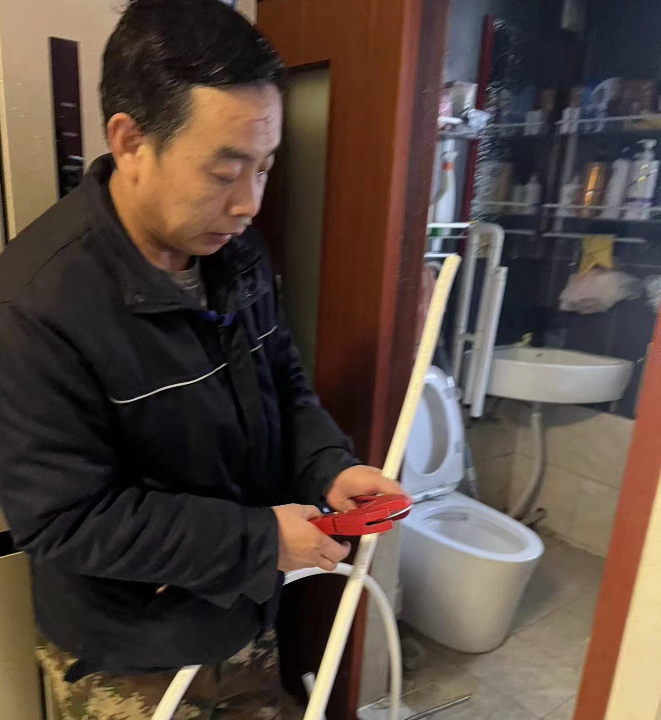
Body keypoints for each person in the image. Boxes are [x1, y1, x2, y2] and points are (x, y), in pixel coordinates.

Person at [0, 1, 404, 718]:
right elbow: (65, 520)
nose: (250, 203)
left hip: (241, 609)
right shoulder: (35, 306)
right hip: (128, 653)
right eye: (224, 171)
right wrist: (257, 539)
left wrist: (329, 467)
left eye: (264, 168)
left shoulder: (233, 250)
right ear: (130, 140)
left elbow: (282, 383)